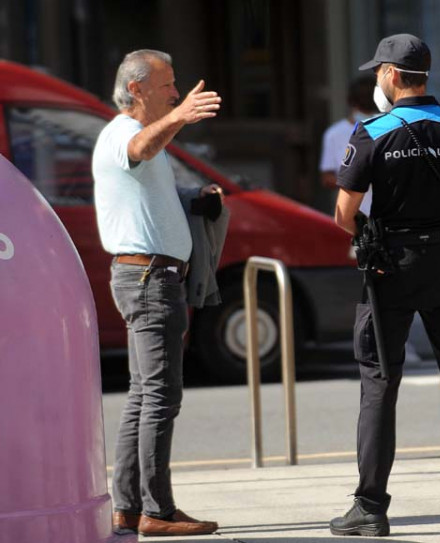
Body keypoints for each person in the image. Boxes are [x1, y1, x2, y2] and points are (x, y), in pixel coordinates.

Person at [329, 33, 440, 536]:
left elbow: (343, 214)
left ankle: (371, 508)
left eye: (376, 72)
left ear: (389, 75)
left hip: (391, 269)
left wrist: (371, 235)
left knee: (380, 384)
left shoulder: (373, 131)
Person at [92, 49, 223, 537]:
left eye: (176, 85)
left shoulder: (133, 137)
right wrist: (181, 116)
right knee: (160, 396)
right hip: (149, 281)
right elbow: (142, 149)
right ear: (137, 89)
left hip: (148, 277)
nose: (175, 92)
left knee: (143, 395)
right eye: (168, 85)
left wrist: (195, 199)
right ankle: (157, 510)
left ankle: (128, 508)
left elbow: (146, 190)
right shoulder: (126, 134)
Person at [319, 75, 379, 213]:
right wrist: (355, 180)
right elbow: (327, 178)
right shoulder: (334, 134)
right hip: (353, 212)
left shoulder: (389, 129)